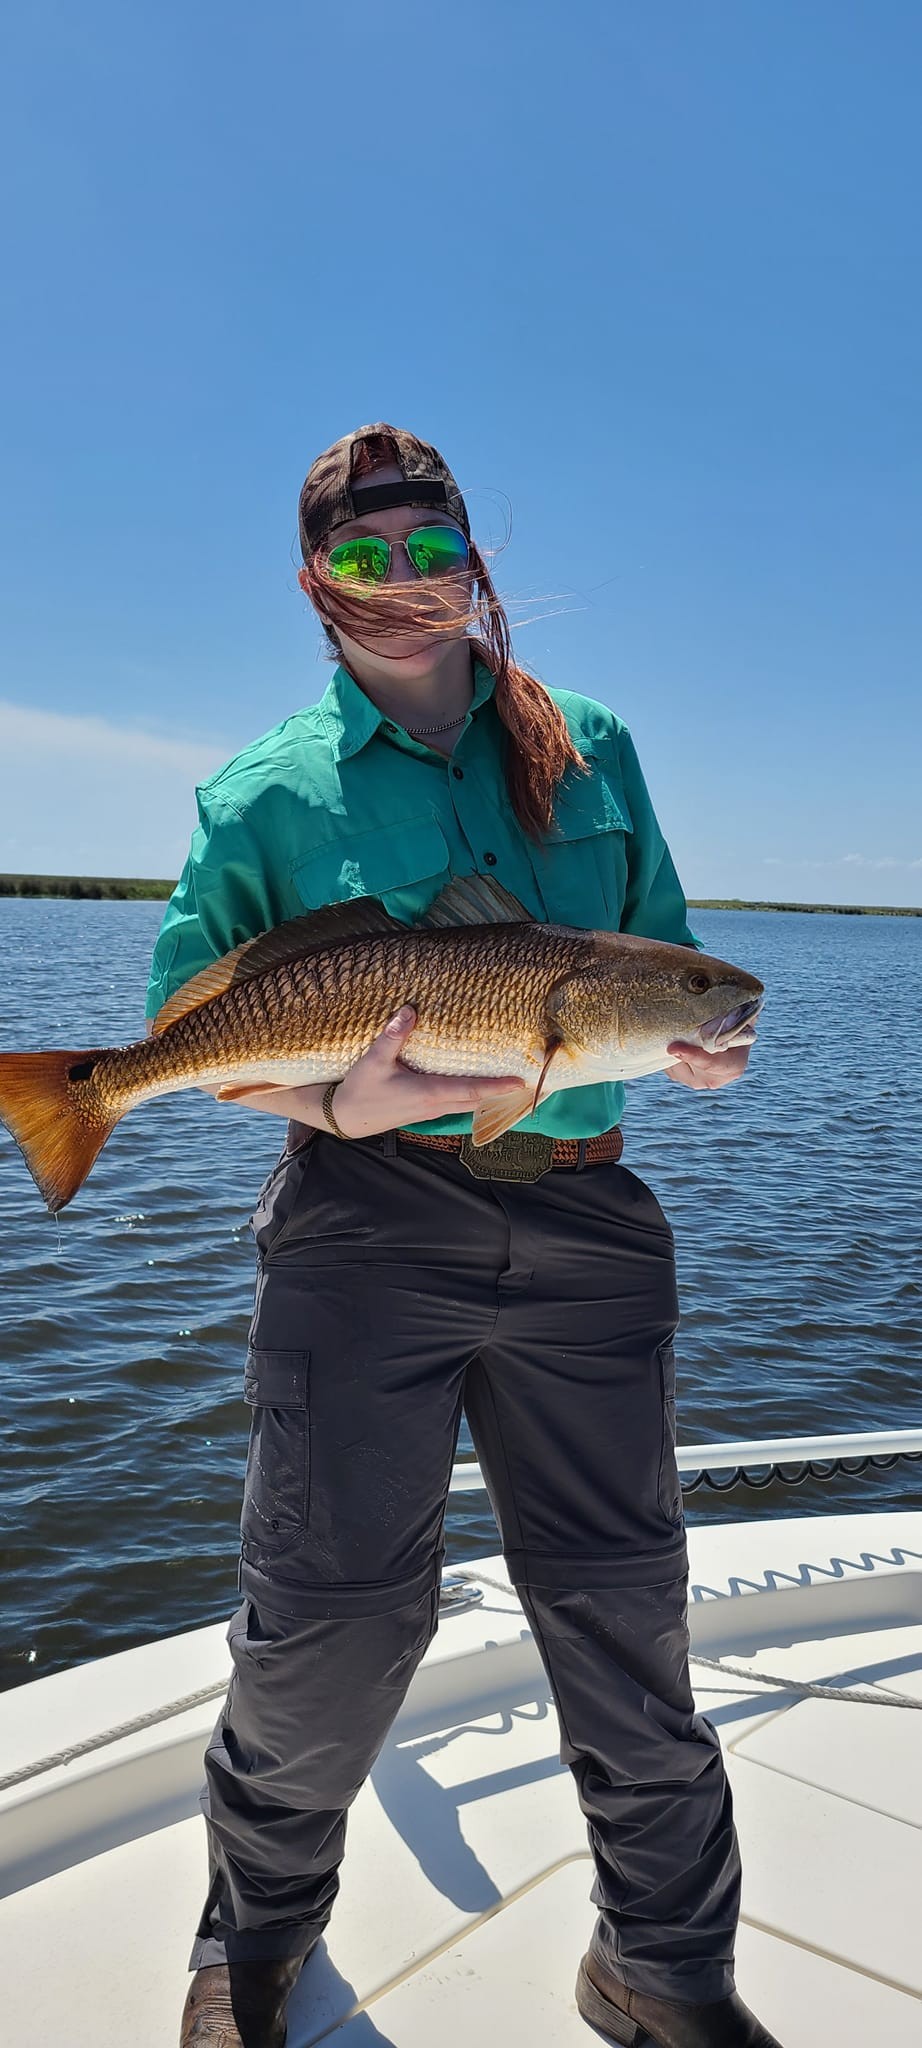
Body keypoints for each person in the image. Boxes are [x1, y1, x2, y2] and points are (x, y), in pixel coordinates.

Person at [149, 424, 780, 2048]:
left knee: (622, 1603)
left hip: (585, 1222)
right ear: (313, 582)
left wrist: (702, 1041)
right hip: (362, 1229)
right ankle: (254, 1944)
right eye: (364, 558)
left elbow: (669, 959)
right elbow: (196, 1041)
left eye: (433, 547)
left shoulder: (594, 748)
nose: (405, 585)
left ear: (475, 558)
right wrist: (332, 1114)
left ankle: (663, 1962)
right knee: (333, 1615)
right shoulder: (262, 793)